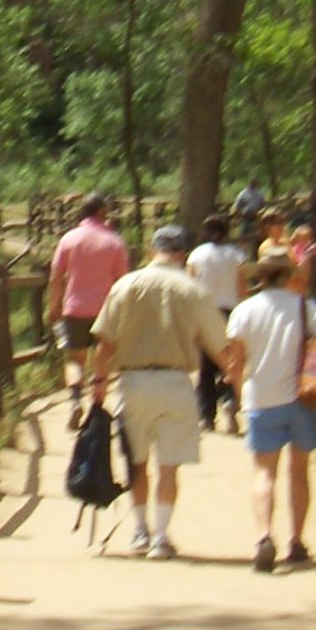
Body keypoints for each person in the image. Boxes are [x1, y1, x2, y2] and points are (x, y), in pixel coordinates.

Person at [89, 224, 230, 559]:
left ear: (152, 250)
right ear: (182, 254)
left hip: (133, 382)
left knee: (137, 462)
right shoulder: (193, 290)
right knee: (169, 465)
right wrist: (239, 381)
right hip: (176, 382)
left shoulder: (125, 285)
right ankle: (161, 538)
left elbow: (105, 344)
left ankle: (139, 531)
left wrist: (98, 387)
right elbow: (219, 347)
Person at [224, 248, 316, 572]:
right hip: (303, 397)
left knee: (264, 472)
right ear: (288, 275)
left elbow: (236, 362)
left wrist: (241, 396)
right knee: (299, 471)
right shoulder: (307, 307)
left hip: (262, 398)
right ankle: (296, 541)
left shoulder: (244, 311)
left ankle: (264, 536)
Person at [45, 193, 130, 433]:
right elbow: (123, 281)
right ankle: (96, 405)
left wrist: (54, 306)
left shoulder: (69, 239)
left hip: (75, 308)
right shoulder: (114, 242)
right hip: (106, 310)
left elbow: (55, 277)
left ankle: (74, 400)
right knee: (103, 359)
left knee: (75, 359)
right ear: (102, 213)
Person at [186, 213, 248, 435]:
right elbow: (241, 289)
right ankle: (230, 404)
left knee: (205, 365)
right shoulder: (236, 255)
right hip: (230, 311)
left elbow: (189, 287)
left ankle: (206, 415)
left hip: (204, 311)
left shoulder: (196, 255)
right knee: (230, 361)